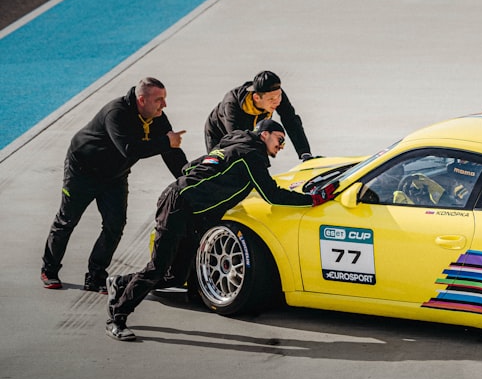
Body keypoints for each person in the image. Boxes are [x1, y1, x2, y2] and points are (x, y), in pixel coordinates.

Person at [105, 119, 337, 341]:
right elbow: (272, 195)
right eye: (279, 139)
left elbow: (189, 167)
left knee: (178, 275)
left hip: (188, 207)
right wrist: (311, 199)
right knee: (157, 269)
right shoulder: (251, 155)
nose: (281, 146)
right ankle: (116, 317)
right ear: (264, 134)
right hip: (178, 206)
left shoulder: (232, 143)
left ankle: (122, 282)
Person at [41, 77, 187, 293]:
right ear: (141, 100)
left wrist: (188, 178)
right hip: (82, 171)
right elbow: (129, 149)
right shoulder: (116, 113)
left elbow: (171, 152)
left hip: (114, 176)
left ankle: (96, 276)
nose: (164, 105)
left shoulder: (157, 117)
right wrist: (166, 142)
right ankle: (49, 270)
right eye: (159, 100)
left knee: (115, 225)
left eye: (164, 99)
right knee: (67, 220)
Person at [204, 70, 315, 160]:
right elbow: (236, 139)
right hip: (219, 132)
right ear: (257, 97)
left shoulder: (275, 94)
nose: (277, 102)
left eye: (279, 96)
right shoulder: (232, 104)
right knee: (231, 160)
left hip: (252, 127)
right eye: (271, 99)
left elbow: (291, 121)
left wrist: (304, 153)